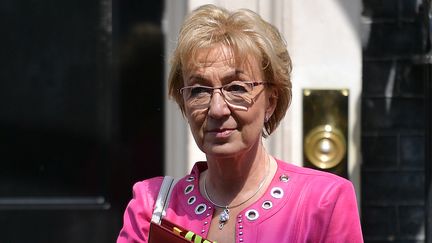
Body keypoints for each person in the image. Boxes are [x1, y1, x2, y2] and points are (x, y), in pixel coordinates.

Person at [117, 4, 363, 243]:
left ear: (270, 102)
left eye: (236, 88)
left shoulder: (323, 202)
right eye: (199, 90)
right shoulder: (153, 208)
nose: (217, 109)